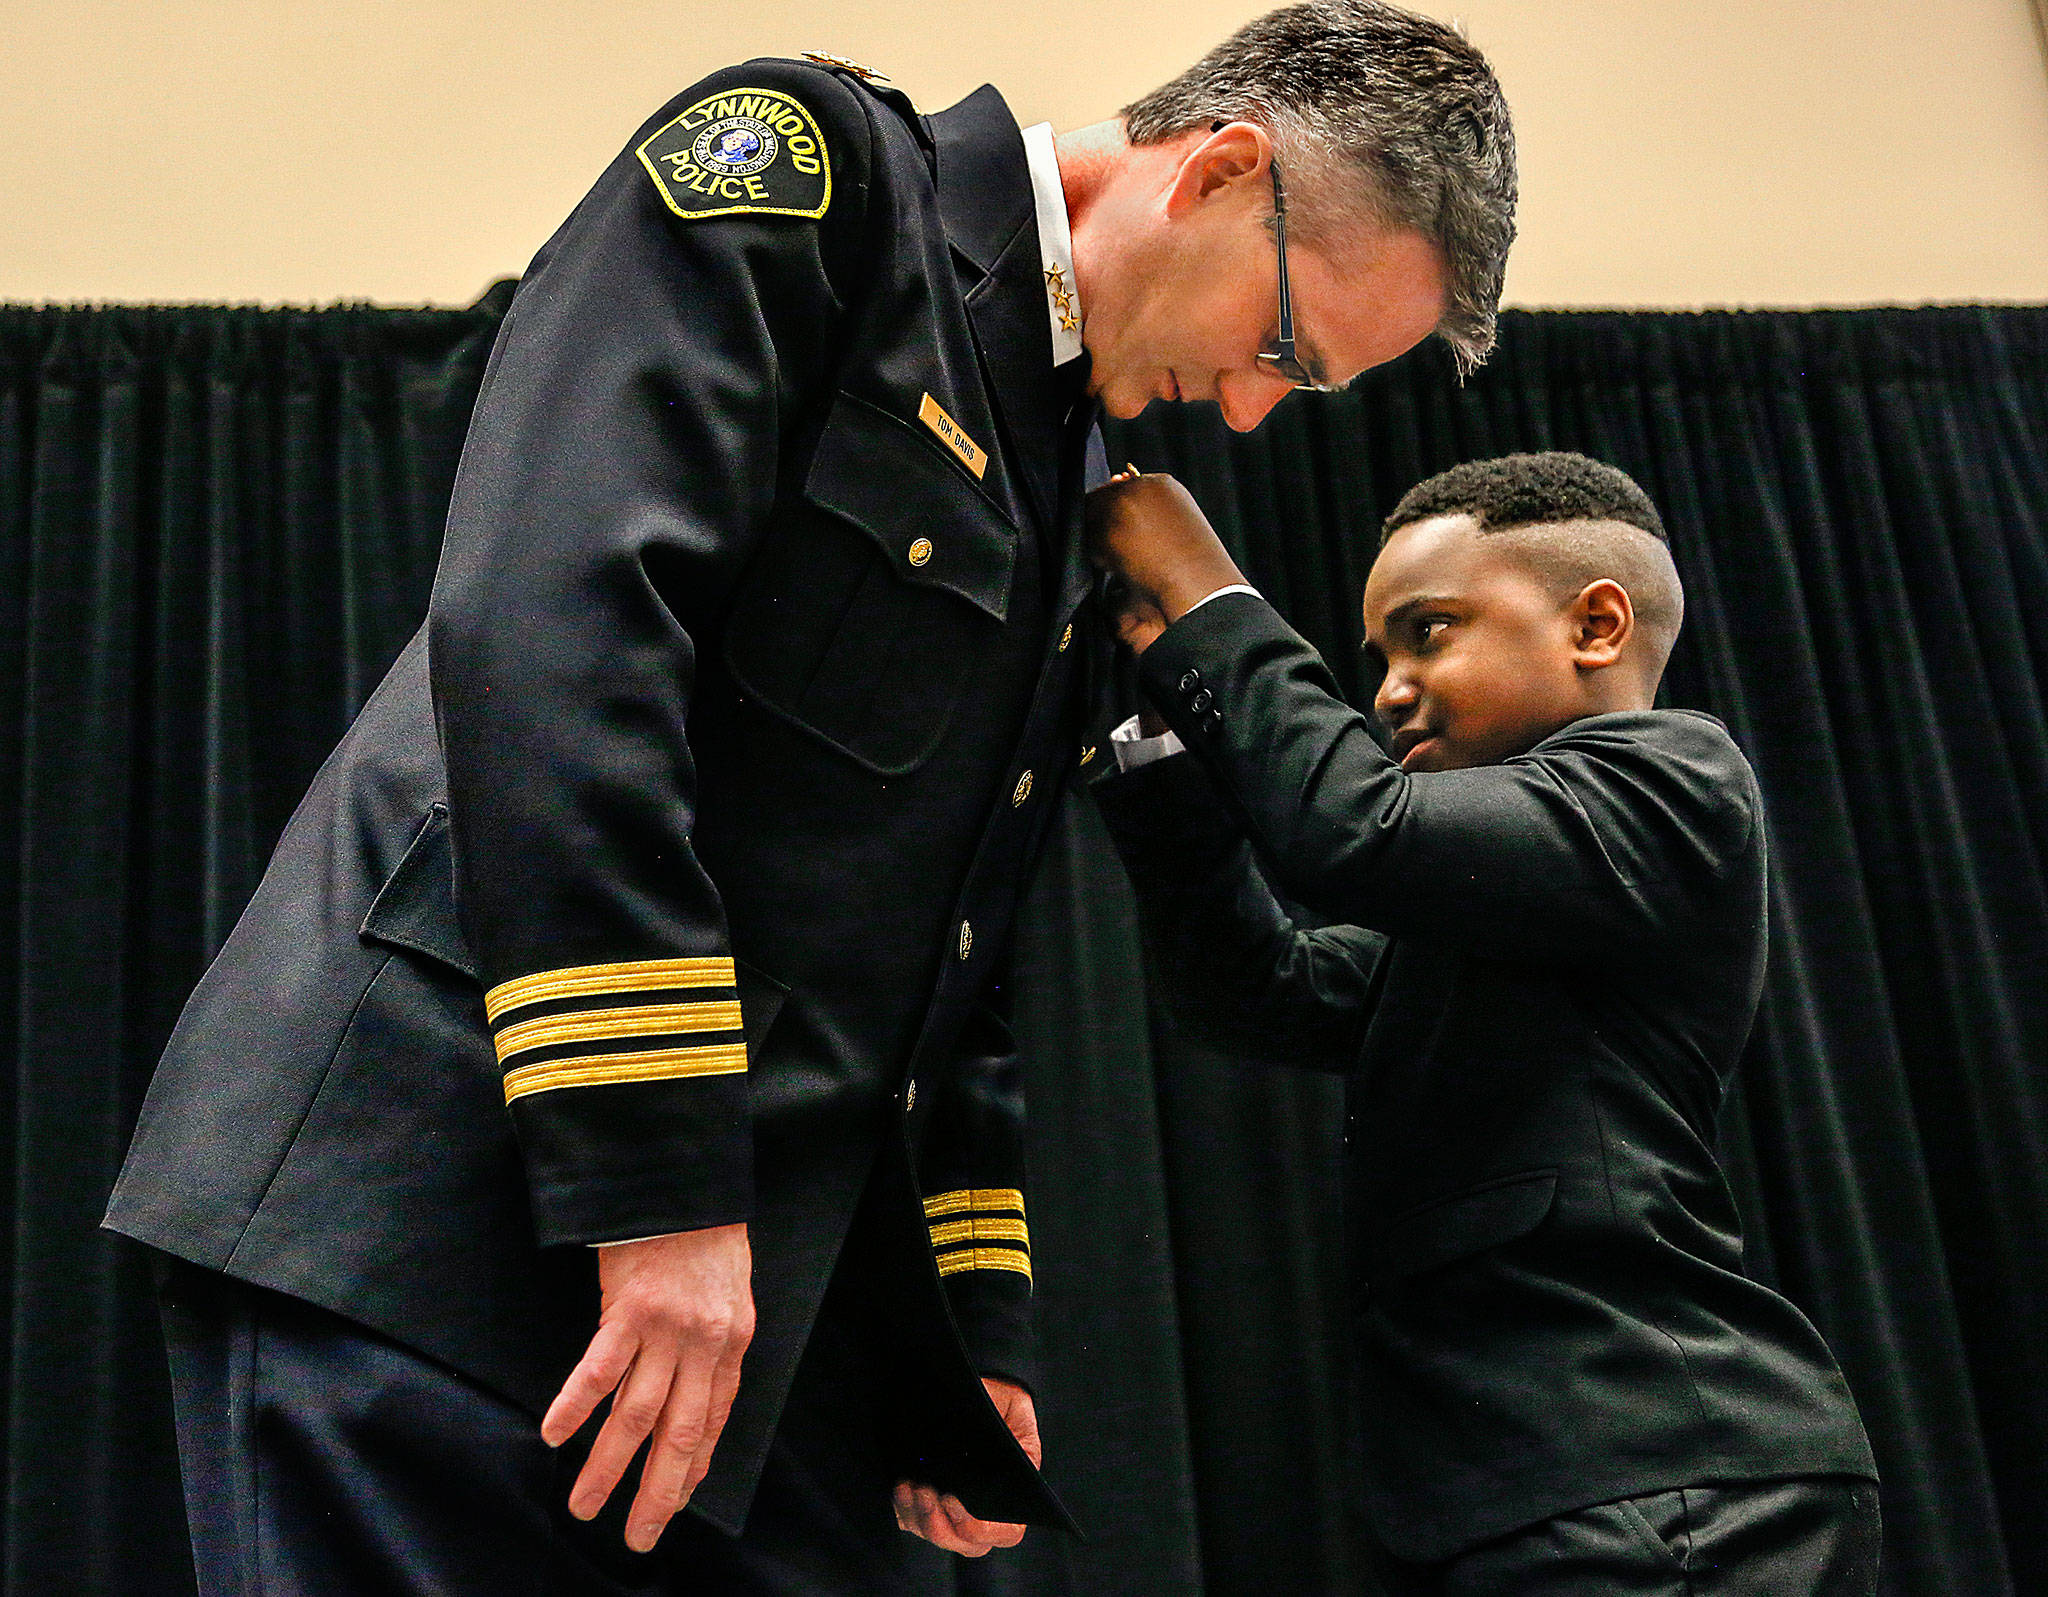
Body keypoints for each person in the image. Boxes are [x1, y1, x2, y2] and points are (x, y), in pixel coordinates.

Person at [104, 6, 1515, 1591]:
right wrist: (651, 1173)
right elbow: (557, 630)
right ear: (1218, 171)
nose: (1250, 409)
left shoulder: (1068, 455)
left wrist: (960, 1335)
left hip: (737, 1300)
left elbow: (952, 942)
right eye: (1284, 350)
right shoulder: (817, 180)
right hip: (452, 1211)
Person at [1087, 454, 1881, 1595]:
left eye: (1429, 632)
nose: (1390, 689)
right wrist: (1153, 740)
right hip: (1525, 1493)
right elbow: (1256, 986)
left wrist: (1203, 588)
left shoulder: (1673, 780)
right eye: (1380, 658)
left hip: (1659, 1480)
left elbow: (1354, 827)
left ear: (1595, 625)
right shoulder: (1491, 920)